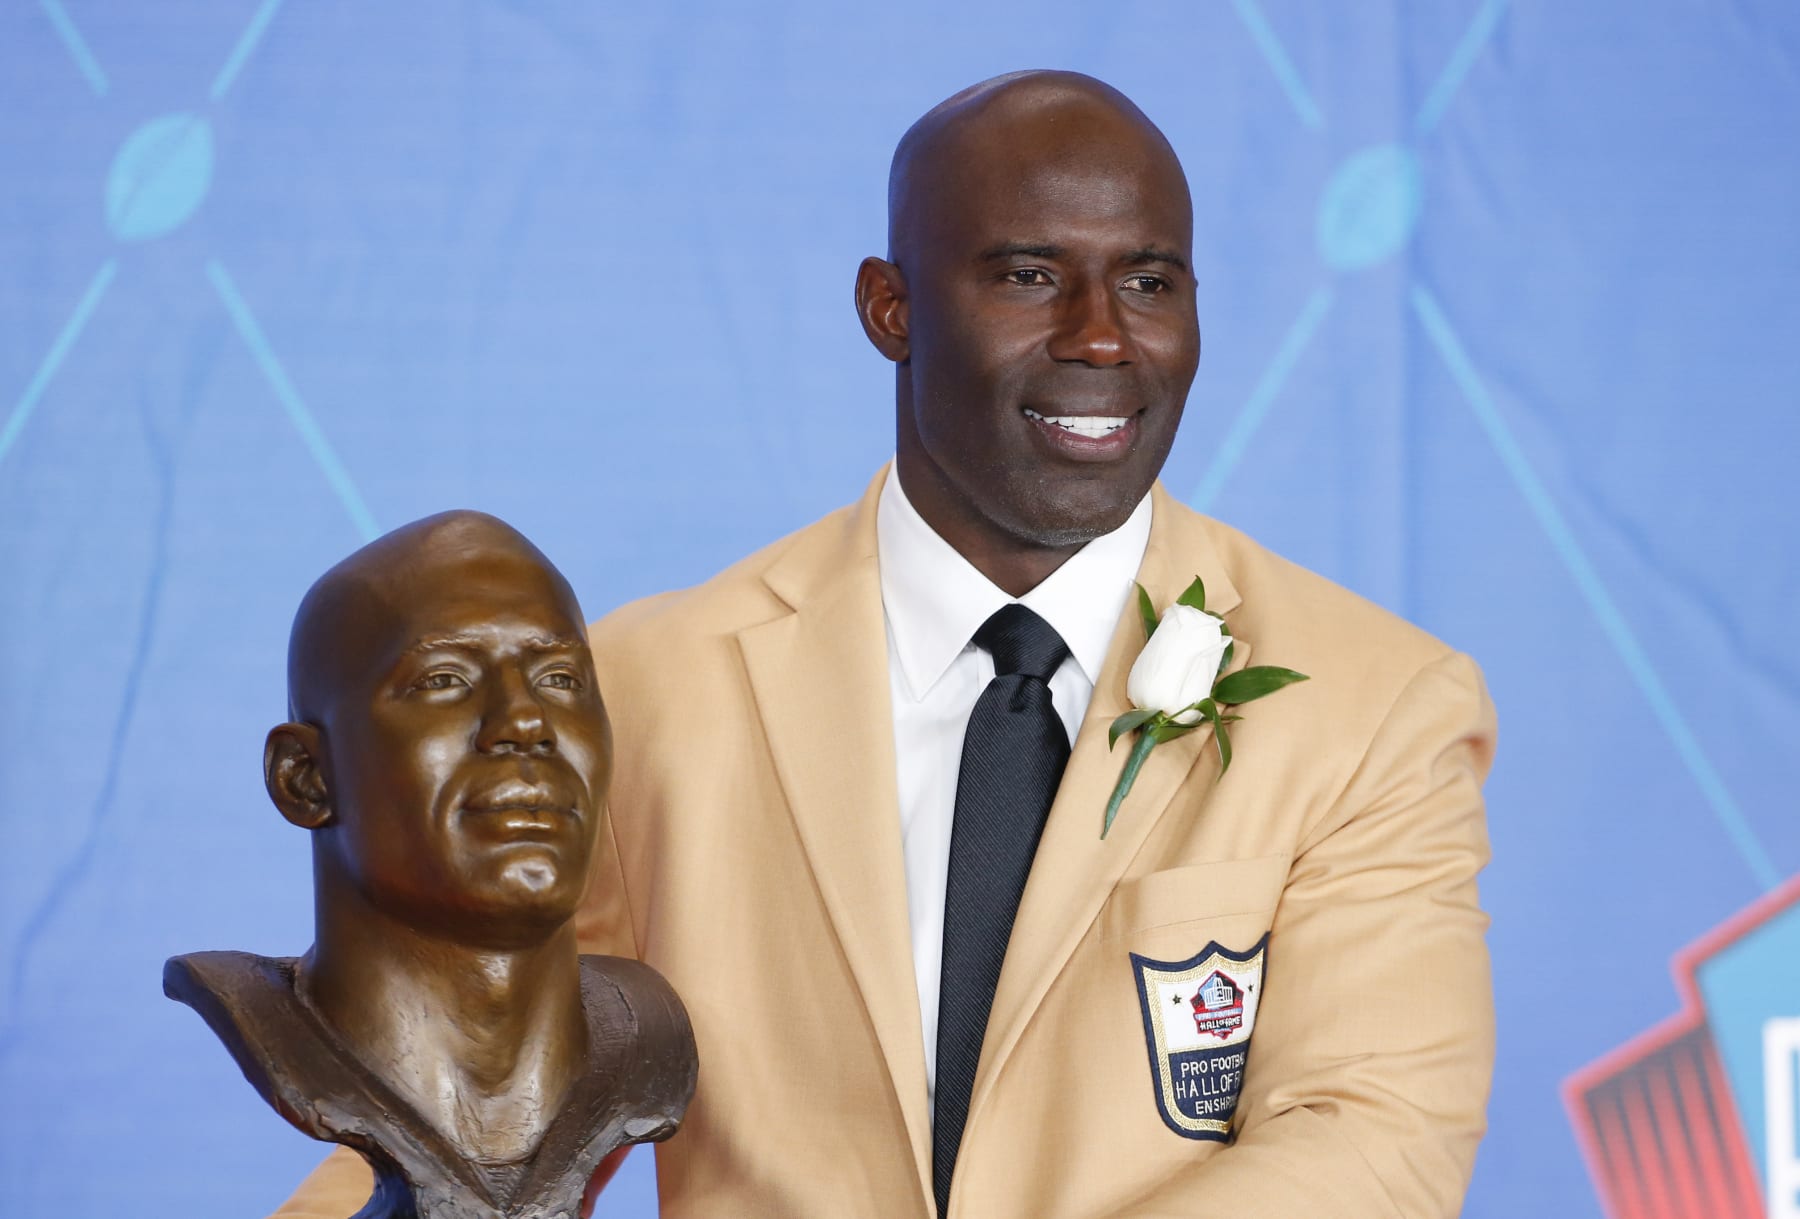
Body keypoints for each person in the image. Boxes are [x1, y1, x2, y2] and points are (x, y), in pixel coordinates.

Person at [276, 71, 1494, 1218]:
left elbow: (1369, 1137)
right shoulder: (649, 687)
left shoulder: (1374, 702)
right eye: (1029, 275)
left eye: (1151, 282)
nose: (1103, 337)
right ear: (891, 308)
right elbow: (491, 1100)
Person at [175, 512, 694, 1218]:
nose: (524, 720)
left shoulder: (647, 1031)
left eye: (561, 677)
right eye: (445, 678)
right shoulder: (275, 1024)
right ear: (306, 778)